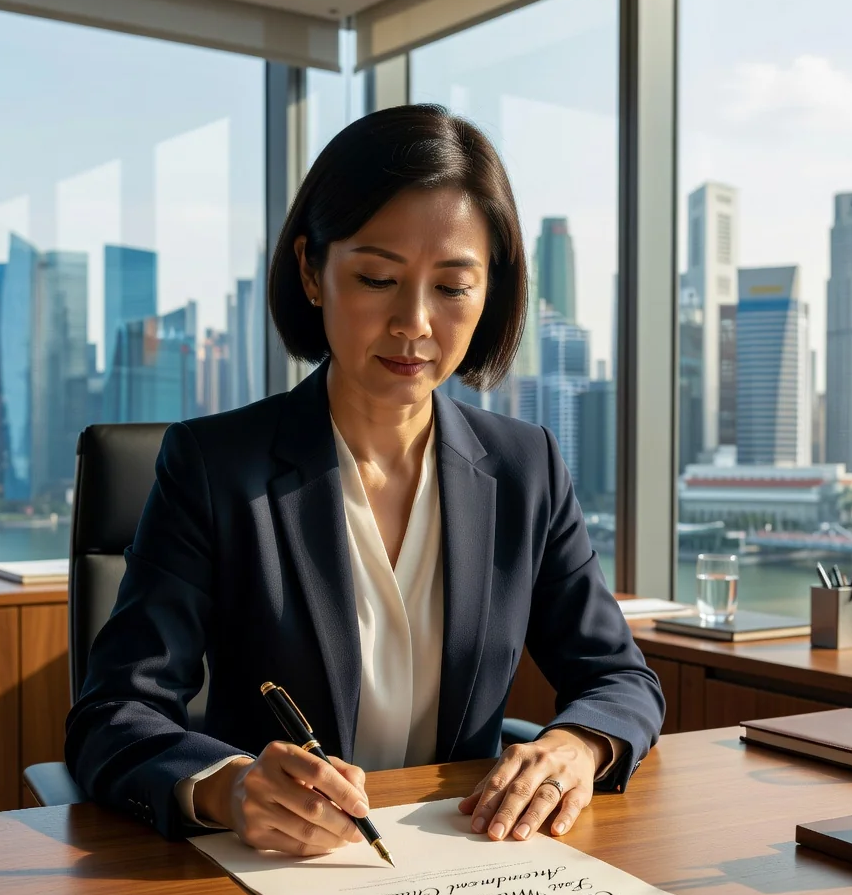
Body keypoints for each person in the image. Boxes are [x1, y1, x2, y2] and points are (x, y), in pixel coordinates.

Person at [65, 103, 664, 855]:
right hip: (273, 874)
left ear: (491, 294)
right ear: (313, 272)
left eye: (452, 288)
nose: (414, 322)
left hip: (467, 866)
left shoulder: (525, 467)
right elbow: (112, 712)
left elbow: (622, 679)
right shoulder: (214, 467)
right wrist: (231, 786)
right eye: (378, 277)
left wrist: (579, 745)